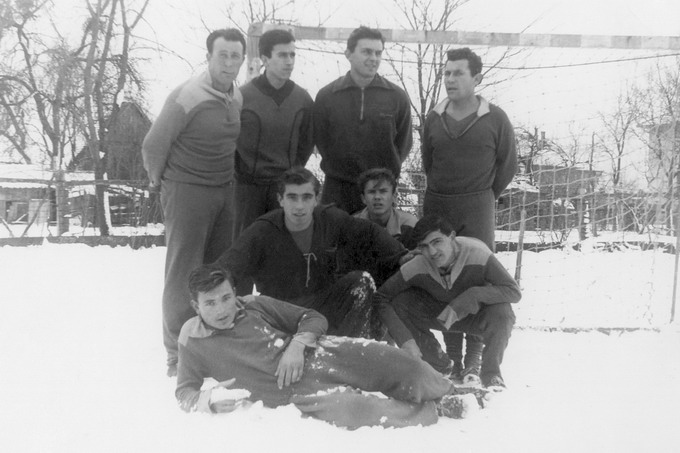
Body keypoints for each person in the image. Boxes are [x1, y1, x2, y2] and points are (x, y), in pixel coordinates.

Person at [176, 263, 481, 429]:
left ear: (234, 293)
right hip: (295, 392)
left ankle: (448, 392)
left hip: (322, 352)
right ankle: (434, 409)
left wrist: (297, 345)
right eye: (210, 303)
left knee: (395, 361)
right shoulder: (192, 340)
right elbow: (184, 391)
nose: (222, 309)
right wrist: (208, 399)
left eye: (226, 297)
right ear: (195, 306)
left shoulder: (254, 305)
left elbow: (312, 318)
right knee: (356, 409)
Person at [142, 28, 246, 377]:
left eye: (235, 56)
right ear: (208, 57)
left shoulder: (237, 96)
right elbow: (153, 146)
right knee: (183, 272)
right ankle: (177, 352)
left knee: (217, 271)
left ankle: (213, 344)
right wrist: (160, 183)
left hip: (223, 190)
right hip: (187, 190)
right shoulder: (186, 95)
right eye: (222, 55)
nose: (229, 63)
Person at [216, 167, 407, 339]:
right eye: (292, 197)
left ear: (316, 199)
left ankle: (352, 348)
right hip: (281, 310)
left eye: (306, 197)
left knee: (362, 280)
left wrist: (402, 256)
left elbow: (369, 232)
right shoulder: (262, 230)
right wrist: (220, 296)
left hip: (322, 301)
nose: (299, 206)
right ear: (280, 200)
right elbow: (227, 266)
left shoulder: (329, 219)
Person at [421, 47, 518, 378]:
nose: (450, 79)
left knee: (475, 276)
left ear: (476, 78)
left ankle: (474, 358)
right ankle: (452, 357)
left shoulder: (496, 118)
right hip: (439, 204)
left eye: (458, 73)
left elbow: (507, 166)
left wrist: (484, 196)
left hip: (477, 207)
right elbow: (428, 163)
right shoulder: (434, 117)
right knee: (445, 275)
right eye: (446, 73)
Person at [376, 215, 520, 389]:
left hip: (475, 317)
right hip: (441, 316)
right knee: (400, 302)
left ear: (452, 237)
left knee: (503, 312)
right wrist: (405, 340)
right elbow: (380, 298)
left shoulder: (478, 253)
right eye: (424, 246)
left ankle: (491, 375)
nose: (432, 252)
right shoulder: (416, 265)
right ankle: (439, 365)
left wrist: (473, 295)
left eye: (437, 242)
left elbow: (513, 291)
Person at [313, 26, 413, 214]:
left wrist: (381, 177)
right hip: (337, 191)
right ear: (348, 54)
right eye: (367, 52)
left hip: (378, 193)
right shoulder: (327, 96)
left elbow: (404, 144)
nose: (374, 58)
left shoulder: (397, 97)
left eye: (378, 53)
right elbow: (321, 140)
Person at [233, 28, 314, 242]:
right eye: (282, 55)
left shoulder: (303, 100)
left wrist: (292, 173)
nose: (289, 61)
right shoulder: (242, 97)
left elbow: (306, 143)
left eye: (292, 55)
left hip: (285, 190)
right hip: (248, 191)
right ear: (265, 59)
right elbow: (229, 141)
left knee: (282, 248)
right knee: (246, 247)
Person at [354, 167, 418, 249]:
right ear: (363, 198)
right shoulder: (352, 226)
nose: (377, 197)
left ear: (394, 196)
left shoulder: (410, 225)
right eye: (372, 192)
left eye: (383, 191)